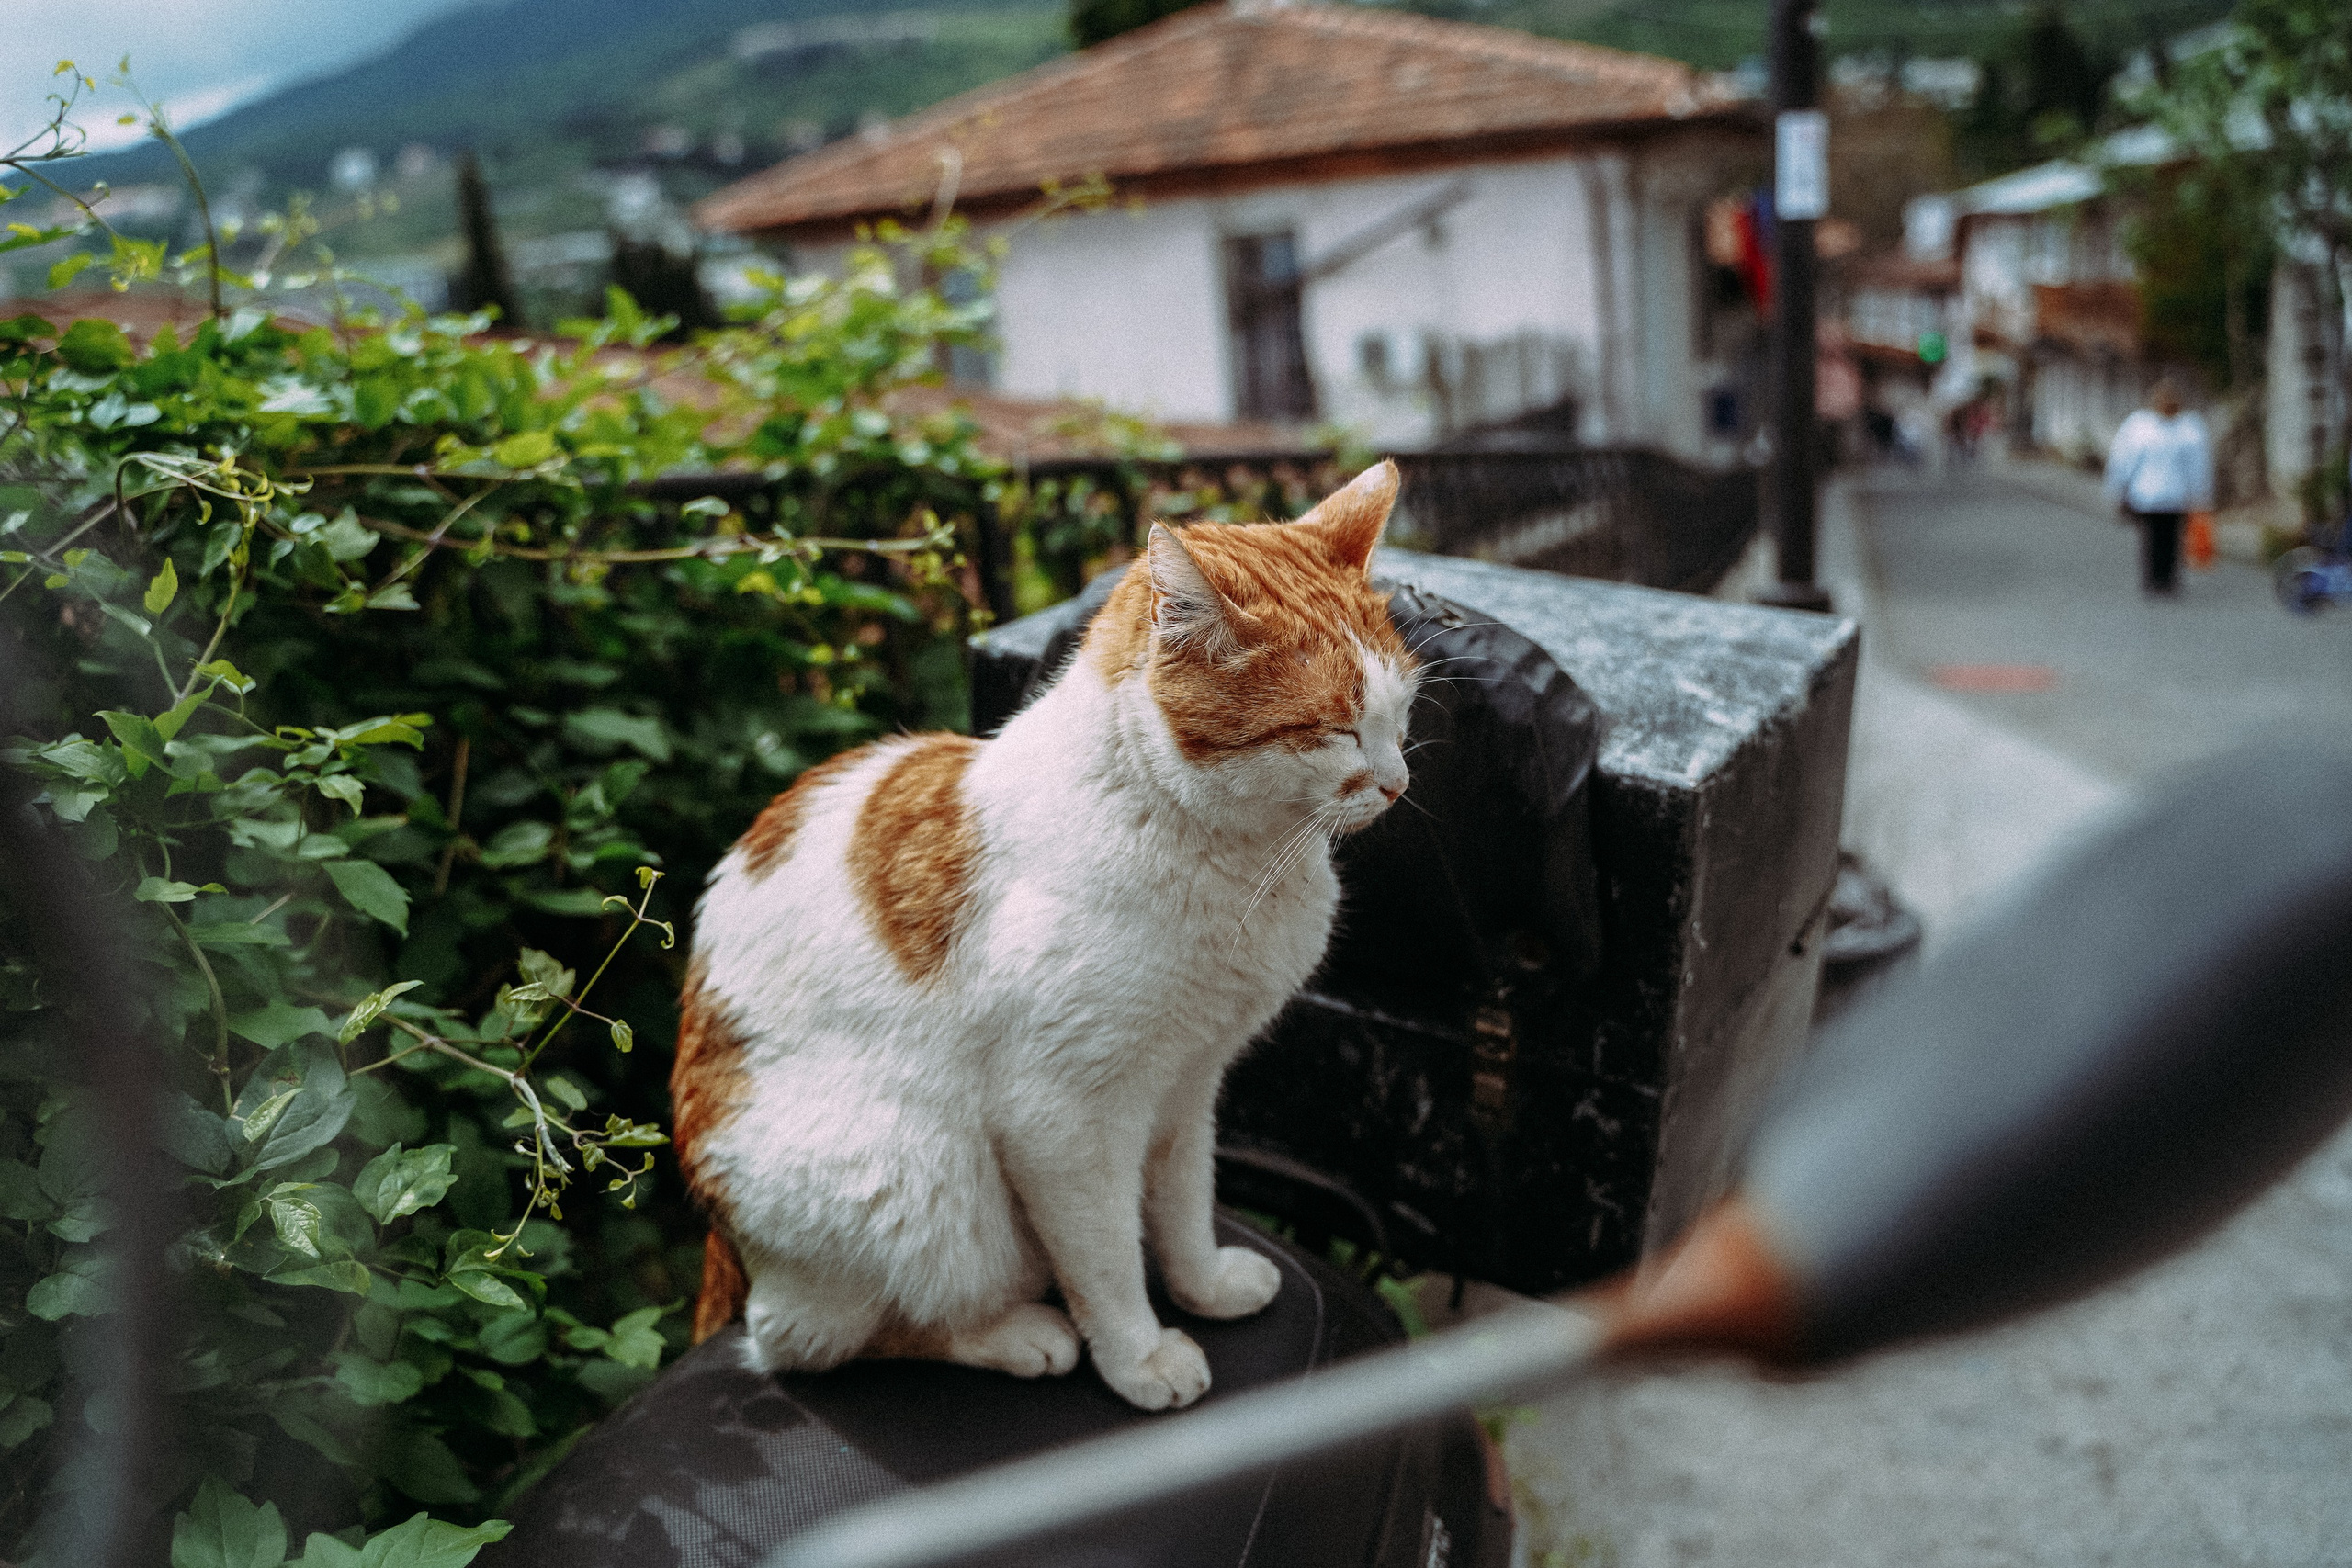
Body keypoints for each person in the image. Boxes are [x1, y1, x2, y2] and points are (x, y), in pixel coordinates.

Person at [2103, 378, 2214, 597]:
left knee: (2159, 537)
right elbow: (2198, 467)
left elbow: (2123, 460)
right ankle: (2162, 578)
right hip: (2162, 494)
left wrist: (2117, 488)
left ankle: (2159, 578)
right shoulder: (2182, 429)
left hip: (2156, 494)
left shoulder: (2164, 428)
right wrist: (2202, 493)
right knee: (2163, 537)